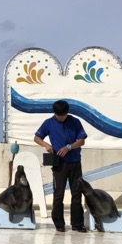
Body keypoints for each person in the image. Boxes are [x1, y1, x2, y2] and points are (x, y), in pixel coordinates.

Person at [33, 100, 88, 233]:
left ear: (67, 113)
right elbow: (37, 137)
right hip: (59, 163)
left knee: (76, 193)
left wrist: (69, 147)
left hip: (74, 161)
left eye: (62, 115)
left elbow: (82, 140)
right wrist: (47, 145)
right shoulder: (49, 123)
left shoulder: (75, 122)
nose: (60, 118)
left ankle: (77, 224)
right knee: (58, 193)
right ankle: (59, 223)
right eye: (58, 116)